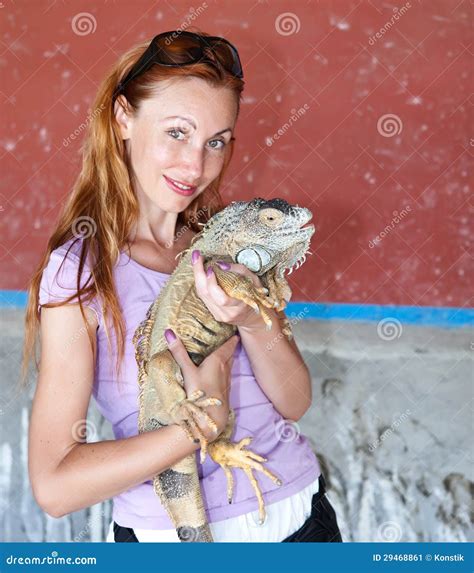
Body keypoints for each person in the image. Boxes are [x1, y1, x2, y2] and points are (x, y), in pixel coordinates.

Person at [21, 29, 343, 542]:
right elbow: (55, 487)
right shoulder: (81, 273)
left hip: (303, 523)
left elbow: (295, 402)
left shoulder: (228, 242)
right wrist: (198, 429)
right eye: (177, 132)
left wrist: (251, 321)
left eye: (216, 141)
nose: (196, 165)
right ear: (124, 117)